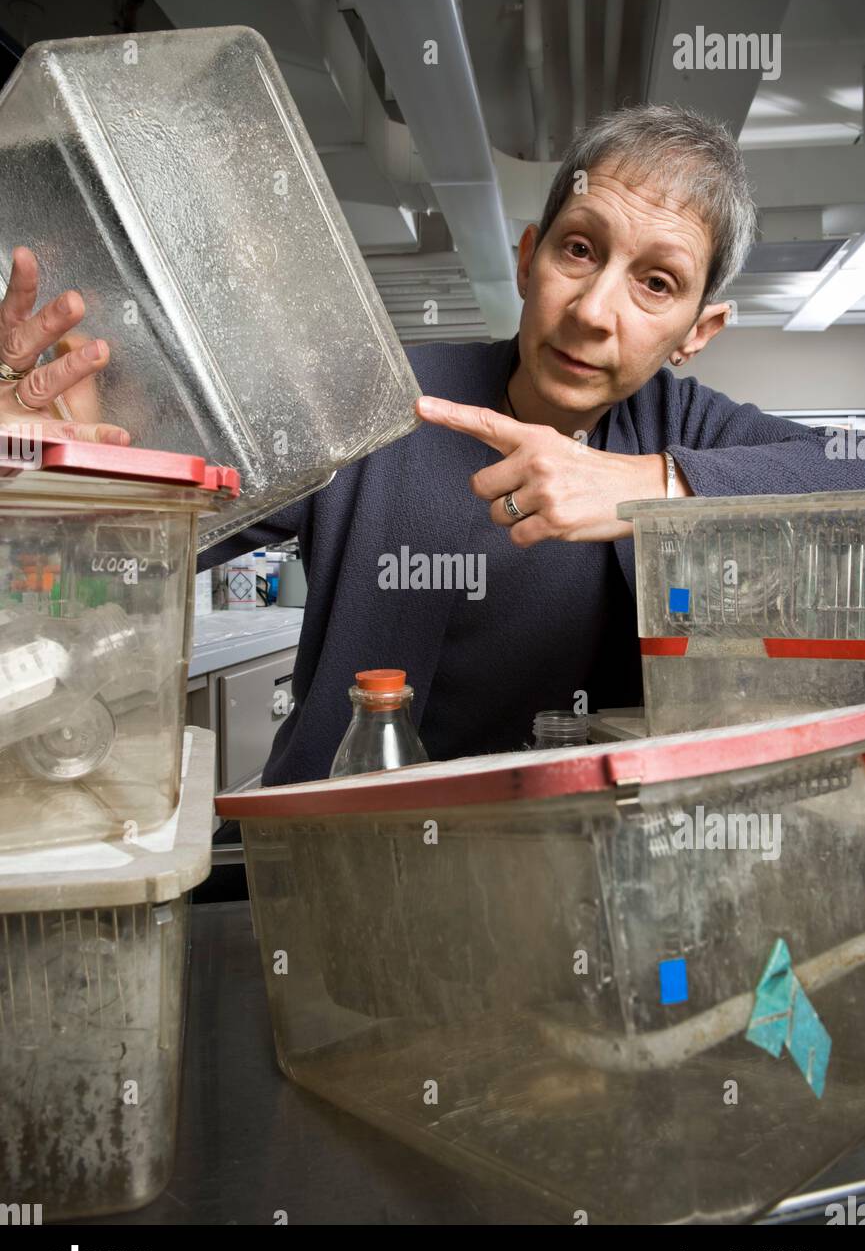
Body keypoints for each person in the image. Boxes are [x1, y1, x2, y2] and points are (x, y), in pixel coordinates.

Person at [3, 105, 864, 782]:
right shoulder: (371, 396)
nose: (595, 311)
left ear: (696, 330)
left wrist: (651, 487)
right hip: (336, 856)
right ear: (528, 260)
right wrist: (59, 470)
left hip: (571, 873)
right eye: (577, 249)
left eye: (655, 283)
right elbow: (108, 560)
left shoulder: (687, 432)